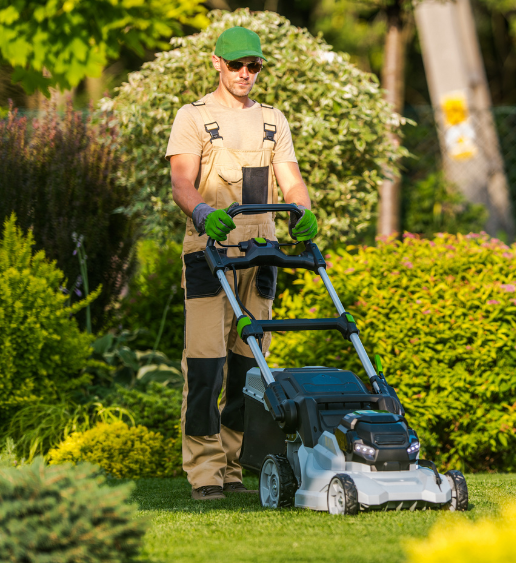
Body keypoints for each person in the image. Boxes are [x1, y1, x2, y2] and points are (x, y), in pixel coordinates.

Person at [165, 26, 318, 500]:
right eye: (236, 65)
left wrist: (303, 211)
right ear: (217, 63)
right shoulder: (193, 117)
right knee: (206, 364)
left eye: (253, 66)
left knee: (248, 367)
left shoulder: (274, 120)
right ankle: (204, 470)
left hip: (261, 255)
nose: (245, 74)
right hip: (210, 256)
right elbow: (181, 183)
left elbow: (290, 180)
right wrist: (204, 212)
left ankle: (233, 463)